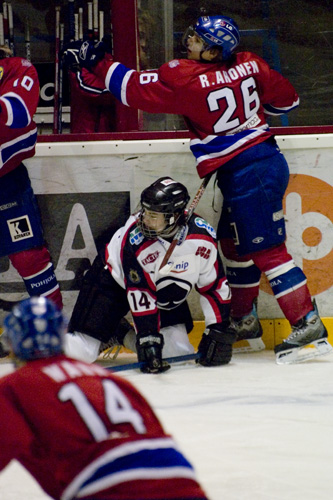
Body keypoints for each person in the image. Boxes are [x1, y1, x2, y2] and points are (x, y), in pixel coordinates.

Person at [63, 13, 332, 365]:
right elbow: (288, 102)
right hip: (254, 164)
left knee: (268, 251)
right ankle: (245, 321)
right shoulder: (251, 63)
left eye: (197, 39)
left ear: (211, 52)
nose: (189, 40)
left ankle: (308, 324)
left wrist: (95, 60)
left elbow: (130, 89)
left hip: (252, 171)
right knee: (233, 246)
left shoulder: (187, 79)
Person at [0, 296, 209, 500]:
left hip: (107, 486)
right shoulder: (107, 378)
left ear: (13, 341)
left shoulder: (14, 386)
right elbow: (153, 431)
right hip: (178, 475)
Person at [64, 177, 235, 373]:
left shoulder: (202, 240)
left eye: (153, 216)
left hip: (160, 289)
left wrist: (218, 329)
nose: (144, 220)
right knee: (80, 353)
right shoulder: (136, 242)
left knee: (176, 355)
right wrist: (148, 340)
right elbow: (141, 294)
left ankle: (120, 333)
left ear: (173, 217)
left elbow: (214, 286)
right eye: (145, 212)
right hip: (112, 280)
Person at [0, 46, 63, 358]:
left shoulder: (18, 68)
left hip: (7, 183)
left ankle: (53, 335)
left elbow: (15, 114)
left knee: (30, 259)